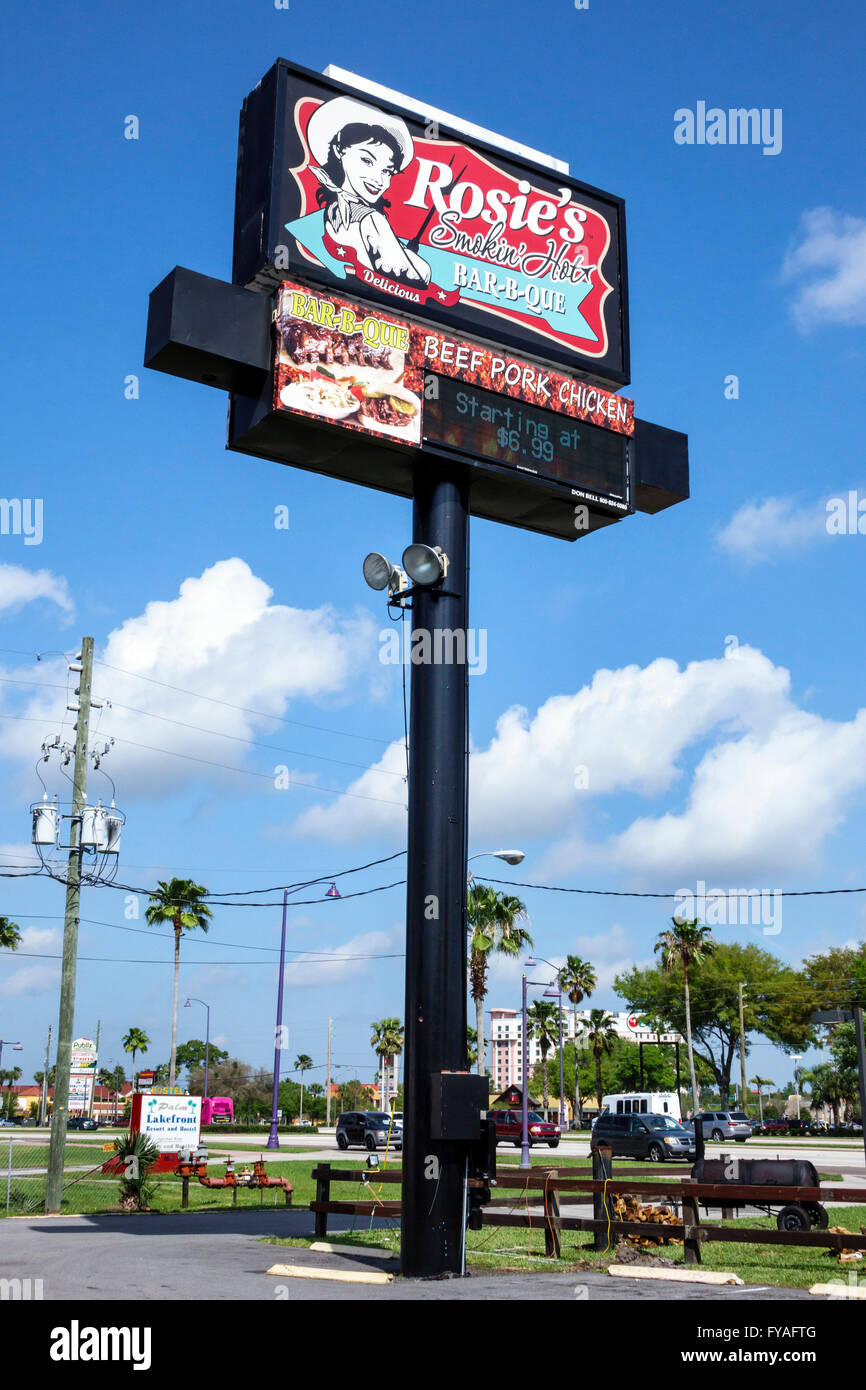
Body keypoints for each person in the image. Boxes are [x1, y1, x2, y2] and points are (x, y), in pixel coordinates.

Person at [306, 95, 432, 289]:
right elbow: (410, 281)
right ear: (340, 150)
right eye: (367, 161)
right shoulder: (371, 219)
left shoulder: (333, 209)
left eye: (387, 171)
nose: (378, 179)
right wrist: (416, 265)